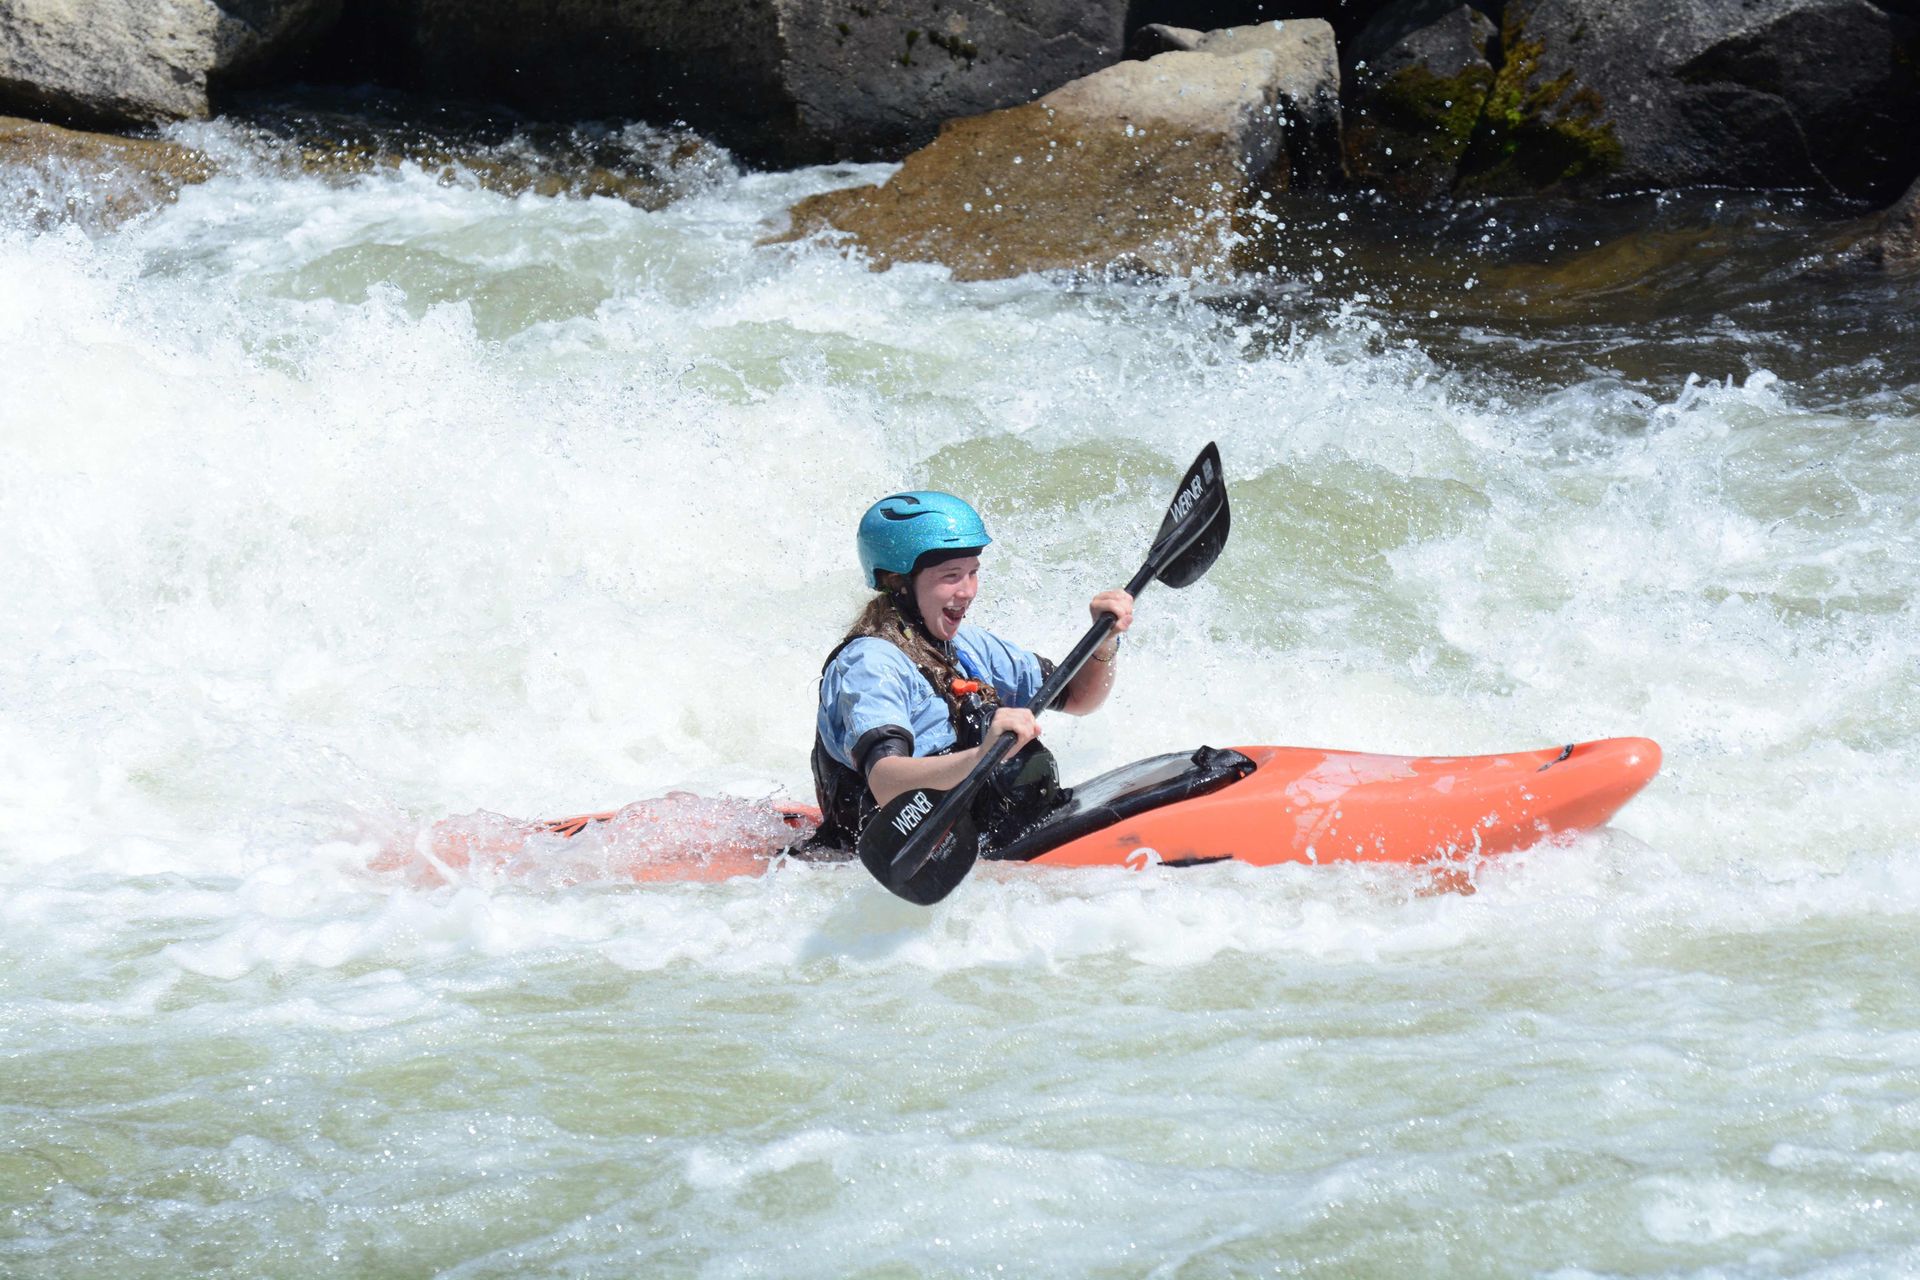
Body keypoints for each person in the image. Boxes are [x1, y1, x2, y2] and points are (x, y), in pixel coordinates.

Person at [810, 490, 1134, 851]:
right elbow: (885, 782)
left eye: (973, 573)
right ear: (896, 580)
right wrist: (981, 758)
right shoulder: (870, 664)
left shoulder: (967, 645)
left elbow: (1079, 697)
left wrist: (1104, 642)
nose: (967, 592)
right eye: (951, 576)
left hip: (979, 835)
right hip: (898, 852)